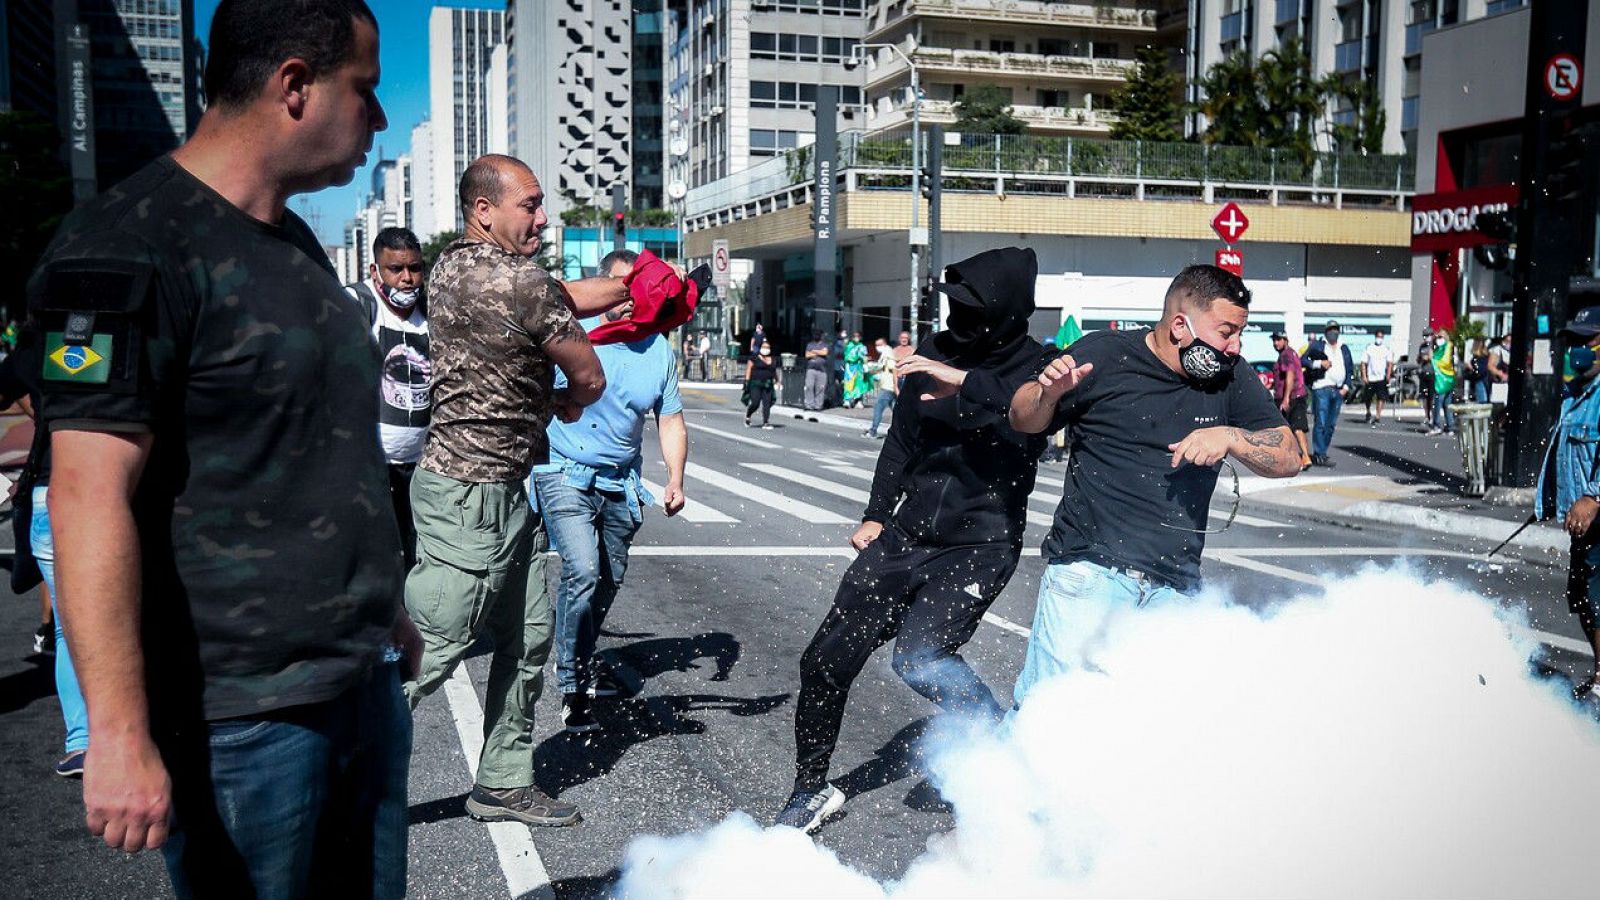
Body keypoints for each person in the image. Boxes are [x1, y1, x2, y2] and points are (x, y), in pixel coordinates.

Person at [26, 2, 420, 894]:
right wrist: (119, 732)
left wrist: (382, 608)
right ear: (293, 86)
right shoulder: (127, 245)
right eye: (364, 90)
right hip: (238, 715)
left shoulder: (294, 245)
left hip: (356, 681)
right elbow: (87, 494)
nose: (379, 118)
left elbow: (317, 445)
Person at [403, 154, 652, 829]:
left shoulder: (453, 267)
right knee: (428, 651)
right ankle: (331, 780)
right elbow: (592, 377)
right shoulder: (522, 282)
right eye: (531, 205)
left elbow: (564, 295)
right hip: (468, 493)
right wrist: (567, 398)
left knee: (529, 638)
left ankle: (503, 784)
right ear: (485, 211)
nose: (543, 218)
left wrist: (625, 290)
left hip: (502, 490)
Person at [776, 247, 1053, 834]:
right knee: (824, 661)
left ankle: (996, 738)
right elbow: (901, 442)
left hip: (981, 544)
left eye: (973, 309)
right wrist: (876, 514)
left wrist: (965, 387)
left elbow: (1029, 419)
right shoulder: (931, 353)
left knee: (920, 658)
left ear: (1005, 310)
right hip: (906, 535)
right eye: (955, 307)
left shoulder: (1039, 368)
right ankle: (809, 789)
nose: (959, 320)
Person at [1006, 266, 1300, 707]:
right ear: (1180, 325)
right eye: (1226, 332)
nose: (1235, 346)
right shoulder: (1105, 355)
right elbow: (1021, 418)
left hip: (1176, 588)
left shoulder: (1230, 375)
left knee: (1149, 727)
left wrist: (1231, 437)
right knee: (1048, 715)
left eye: (1240, 333)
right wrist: (1046, 394)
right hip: (1090, 574)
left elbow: (1290, 456)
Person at [532, 249, 689, 733]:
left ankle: (579, 654)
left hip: (620, 482)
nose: (628, 301)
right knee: (581, 570)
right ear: (602, 289)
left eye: (637, 291)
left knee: (606, 582)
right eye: (621, 289)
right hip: (564, 470)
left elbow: (671, 420)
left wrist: (676, 480)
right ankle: (572, 683)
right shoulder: (573, 336)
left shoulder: (657, 349)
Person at [346, 225, 430, 568]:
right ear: (375, 270)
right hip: (370, 470)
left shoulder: (431, 311)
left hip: (422, 469)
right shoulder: (357, 304)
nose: (407, 278)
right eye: (396, 269)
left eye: (414, 268)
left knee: (417, 561)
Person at [1537, 306, 1600, 704]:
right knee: (1582, 602)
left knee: (1597, 600)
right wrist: (1548, 500)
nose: (1578, 349)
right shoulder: (1575, 392)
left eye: (1586, 341)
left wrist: (1594, 497)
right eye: (1573, 341)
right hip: (1581, 522)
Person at [1302, 320, 1353, 467]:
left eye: (1336, 329)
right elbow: (1303, 360)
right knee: (1321, 423)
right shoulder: (1318, 345)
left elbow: (1349, 369)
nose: (1333, 332)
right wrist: (1319, 364)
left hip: (1338, 390)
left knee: (1330, 425)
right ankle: (1319, 454)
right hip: (1321, 388)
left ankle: (1322, 452)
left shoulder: (1344, 348)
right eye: (1330, 329)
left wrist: (1346, 387)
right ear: (1325, 331)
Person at [1272, 331, 1312, 470]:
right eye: (1274, 340)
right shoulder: (1292, 353)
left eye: (1278, 340)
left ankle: (1303, 457)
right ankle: (1304, 457)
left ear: (1285, 340)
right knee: (1295, 428)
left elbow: (1290, 374)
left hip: (1292, 397)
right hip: (1297, 395)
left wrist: (1285, 398)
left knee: (1290, 428)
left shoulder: (1286, 355)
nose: (1276, 343)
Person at [862, 337, 897, 438]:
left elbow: (894, 369)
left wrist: (895, 386)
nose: (877, 347)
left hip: (888, 387)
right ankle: (905, 431)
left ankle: (873, 430)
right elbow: (882, 368)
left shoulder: (888, 354)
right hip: (889, 386)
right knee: (897, 410)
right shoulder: (885, 354)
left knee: (878, 407)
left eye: (879, 345)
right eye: (876, 345)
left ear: (884, 344)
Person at [1360, 330, 1395, 424]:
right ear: (1375, 337)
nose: (1379, 339)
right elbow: (1363, 363)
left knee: (1381, 397)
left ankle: (1378, 416)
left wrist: (1388, 375)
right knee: (1368, 397)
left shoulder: (1386, 349)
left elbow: (1390, 363)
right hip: (1371, 378)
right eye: (1378, 336)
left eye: (1381, 337)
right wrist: (1364, 376)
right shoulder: (1369, 348)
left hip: (1381, 378)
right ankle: (1368, 412)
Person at [745, 340, 779, 428]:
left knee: (767, 403)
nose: (766, 349)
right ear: (760, 348)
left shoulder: (773, 359)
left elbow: (774, 371)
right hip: (755, 383)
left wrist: (777, 381)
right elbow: (749, 369)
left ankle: (766, 422)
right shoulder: (754, 358)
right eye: (764, 347)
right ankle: (748, 415)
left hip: (767, 384)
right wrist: (747, 382)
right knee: (755, 403)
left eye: (767, 347)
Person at [1428, 333, 1458, 436]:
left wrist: (1433, 359)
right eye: (1437, 337)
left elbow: (1444, 362)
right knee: (1447, 404)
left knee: (1438, 404)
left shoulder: (1448, 346)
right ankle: (1450, 427)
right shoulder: (1440, 348)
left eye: (1440, 337)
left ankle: (1437, 426)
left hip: (1442, 381)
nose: (1438, 339)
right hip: (1446, 379)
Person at [803, 330, 830, 411]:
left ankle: (818, 406)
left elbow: (825, 352)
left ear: (821, 336)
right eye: (815, 334)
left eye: (818, 334)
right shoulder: (810, 344)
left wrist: (814, 351)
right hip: (811, 369)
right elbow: (807, 355)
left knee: (820, 388)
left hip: (822, 370)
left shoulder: (825, 344)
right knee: (809, 386)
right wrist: (819, 352)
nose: (816, 336)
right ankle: (809, 405)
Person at [841, 331, 870, 407]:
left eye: (857, 336)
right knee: (848, 383)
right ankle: (847, 401)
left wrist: (866, 366)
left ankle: (858, 401)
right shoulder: (849, 345)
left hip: (858, 366)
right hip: (848, 367)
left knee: (858, 384)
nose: (855, 338)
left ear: (860, 338)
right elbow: (844, 344)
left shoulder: (862, 347)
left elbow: (865, 357)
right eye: (854, 336)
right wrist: (844, 336)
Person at [1417, 330, 1437, 430]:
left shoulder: (1434, 345)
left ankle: (1433, 417)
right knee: (1424, 397)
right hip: (1423, 373)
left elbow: (1433, 357)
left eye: (1428, 335)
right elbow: (1419, 358)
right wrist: (1421, 358)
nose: (1426, 337)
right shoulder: (1422, 346)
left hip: (1432, 373)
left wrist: (1428, 357)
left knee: (1431, 397)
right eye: (1424, 335)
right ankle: (1427, 416)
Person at [1467, 338, 1490, 404]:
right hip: (1486, 381)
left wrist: (1471, 368)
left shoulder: (1476, 358)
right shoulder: (1486, 356)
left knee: (1482, 403)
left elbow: (1478, 371)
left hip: (1480, 381)